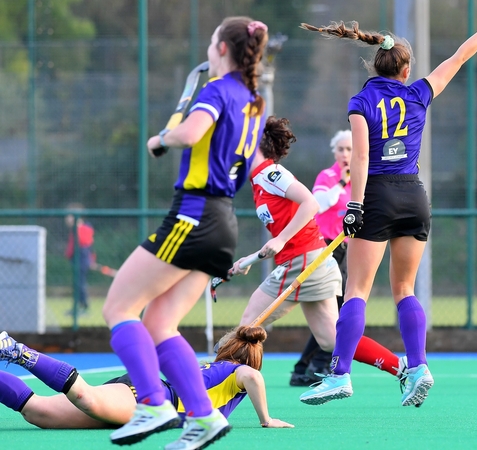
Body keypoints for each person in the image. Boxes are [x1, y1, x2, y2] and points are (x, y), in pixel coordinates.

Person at [297, 1, 477, 407]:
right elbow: (457, 58)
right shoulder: (418, 93)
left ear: (375, 66)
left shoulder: (360, 101)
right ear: (405, 70)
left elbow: (359, 158)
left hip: (376, 194)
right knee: (404, 289)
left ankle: (340, 375)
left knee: (356, 290)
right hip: (413, 195)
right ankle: (419, 366)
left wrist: (354, 206)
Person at [100, 16, 269, 450]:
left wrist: (161, 139)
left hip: (192, 215)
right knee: (159, 321)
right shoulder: (255, 101)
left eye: (213, 43)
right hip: (224, 222)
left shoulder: (216, 91)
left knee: (119, 308)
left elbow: (192, 132)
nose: (210, 50)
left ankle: (154, 403)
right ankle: (203, 416)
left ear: (223, 50)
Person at [231, 118, 406, 386]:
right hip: (311, 259)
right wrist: (252, 258)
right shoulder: (259, 181)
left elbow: (310, 203)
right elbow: (287, 230)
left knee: (248, 326)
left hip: (304, 261)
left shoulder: (270, 173)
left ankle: (217, 389)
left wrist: (282, 238)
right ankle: (401, 368)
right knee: (331, 341)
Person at [0, 328, 293, 429]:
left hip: (138, 395)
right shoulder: (235, 372)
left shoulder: (212, 368)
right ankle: (16, 350)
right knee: (84, 397)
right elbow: (253, 376)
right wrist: (266, 419)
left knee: (38, 412)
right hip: (148, 399)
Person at [289, 130, 352, 386]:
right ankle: (310, 366)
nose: (345, 155)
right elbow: (320, 203)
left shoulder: (361, 178)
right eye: (341, 149)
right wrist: (341, 183)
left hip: (347, 250)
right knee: (332, 311)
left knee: (338, 311)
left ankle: (310, 365)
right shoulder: (327, 177)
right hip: (325, 249)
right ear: (334, 152)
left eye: (350, 149)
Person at [64, 204, 95, 315]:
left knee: (80, 284)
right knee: (77, 284)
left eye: (69, 216)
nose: (66, 219)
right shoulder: (74, 230)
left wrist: (91, 260)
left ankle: (83, 307)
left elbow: (86, 245)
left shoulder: (84, 229)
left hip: (82, 261)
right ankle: (78, 306)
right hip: (77, 261)